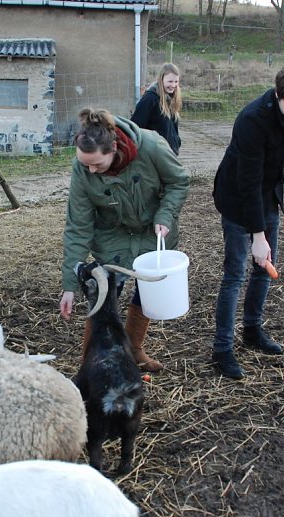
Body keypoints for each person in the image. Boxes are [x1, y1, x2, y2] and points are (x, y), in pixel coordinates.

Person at [60, 108, 189, 372]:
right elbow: (78, 225)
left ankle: (133, 349)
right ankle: (90, 363)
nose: (91, 171)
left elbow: (178, 181)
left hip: (153, 232)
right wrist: (70, 284)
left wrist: (165, 214)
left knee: (147, 293)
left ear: (114, 148)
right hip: (111, 236)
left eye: (97, 164)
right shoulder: (83, 169)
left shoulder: (151, 146)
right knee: (103, 296)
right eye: (85, 164)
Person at [210, 62, 284, 379]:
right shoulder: (252, 119)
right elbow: (247, 181)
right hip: (237, 195)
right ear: (277, 95)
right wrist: (257, 235)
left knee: (265, 267)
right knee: (236, 273)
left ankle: (252, 330)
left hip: (269, 193)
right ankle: (222, 350)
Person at [131, 62, 182, 155]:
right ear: (161, 79)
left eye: (176, 82)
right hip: (154, 155)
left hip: (169, 154)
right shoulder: (150, 99)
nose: (173, 85)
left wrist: (176, 143)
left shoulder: (172, 99)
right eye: (170, 81)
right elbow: (136, 126)